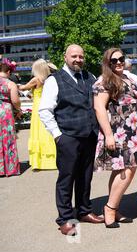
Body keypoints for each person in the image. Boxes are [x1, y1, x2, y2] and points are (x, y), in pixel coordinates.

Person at [39, 44, 104, 236]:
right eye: (74, 56)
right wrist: (58, 135)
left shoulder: (90, 77)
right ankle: (65, 218)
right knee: (67, 179)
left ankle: (84, 211)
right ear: (65, 57)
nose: (78, 59)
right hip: (67, 137)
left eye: (81, 56)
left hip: (89, 136)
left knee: (85, 177)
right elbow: (45, 110)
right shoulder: (54, 80)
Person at [93, 48, 137, 228]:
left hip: (133, 131)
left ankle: (114, 208)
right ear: (108, 63)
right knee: (127, 171)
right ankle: (109, 208)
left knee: (121, 170)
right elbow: (99, 108)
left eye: (121, 58)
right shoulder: (105, 81)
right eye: (114, 61)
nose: (118, 62)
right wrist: (108, 135)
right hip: (119, 132)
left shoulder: (127, 78)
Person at [18, 59, 57, 171]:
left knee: (38, 131)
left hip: (38, 107)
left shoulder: (36, 79)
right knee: (47, 131)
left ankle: (39, 161)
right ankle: (52, 159)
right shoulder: (49, 79)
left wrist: (14, 84)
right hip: (47, 104)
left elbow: (23, 88)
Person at [0, 58, 21, 177]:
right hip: (5, 111)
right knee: (8, 138)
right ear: (8, 72)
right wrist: (18, 110)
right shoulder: (10, 83)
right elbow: (15, 100)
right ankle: (10, 168)